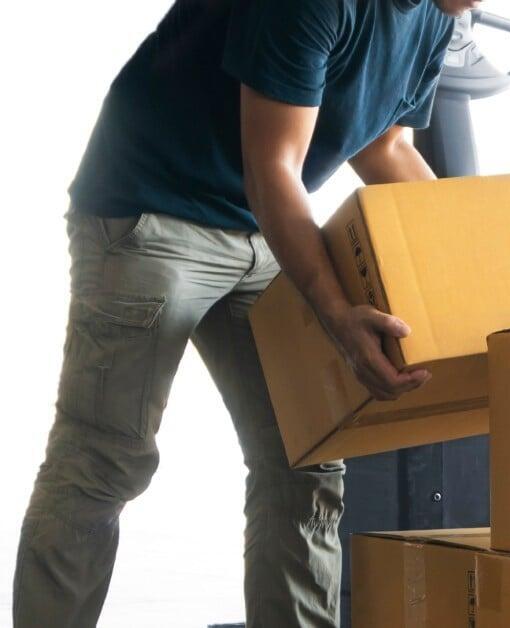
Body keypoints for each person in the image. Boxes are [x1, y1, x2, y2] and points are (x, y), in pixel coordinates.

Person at [12, 0, 477, 625]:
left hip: (261, 226)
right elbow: (273, 169)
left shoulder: (438, 14)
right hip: (154, 205)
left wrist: (485, 251)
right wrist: (338, 316)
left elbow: (387, 144)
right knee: (103, 459)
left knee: (305, 456)